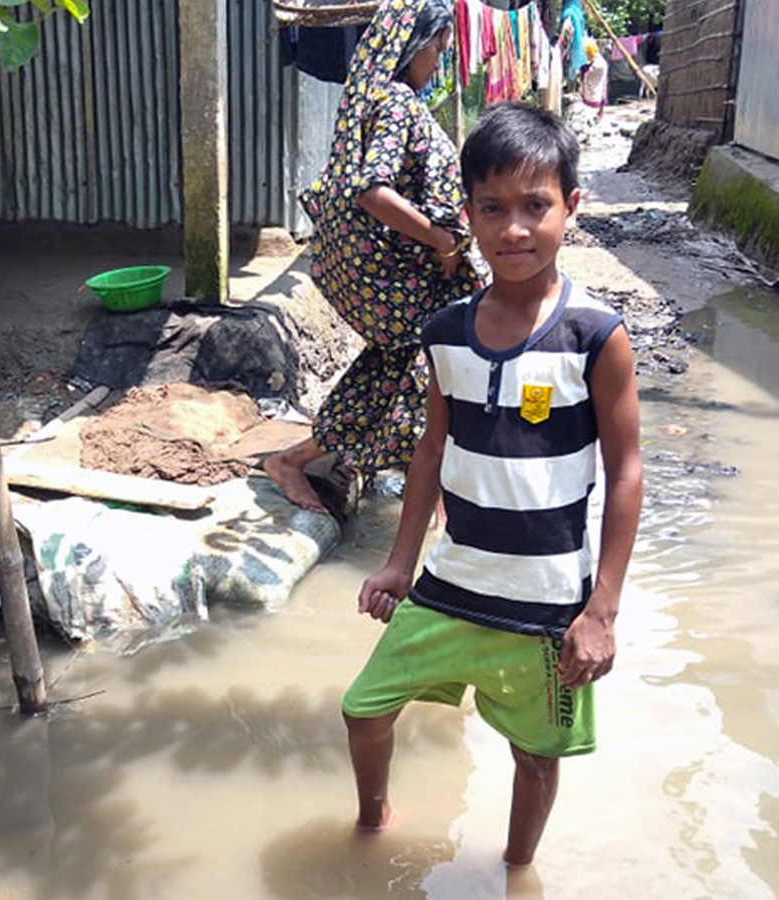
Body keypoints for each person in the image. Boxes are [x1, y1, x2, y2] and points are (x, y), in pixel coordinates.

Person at [341, 102, 643, 866]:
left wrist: (601, 609)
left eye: (535, 206)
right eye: (493, 209)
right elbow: (430, 448)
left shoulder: (595, 336)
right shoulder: (445, 331)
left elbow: (626, 472)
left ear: (571, 207)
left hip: (548, 606)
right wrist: (399, 562)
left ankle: (516, 872)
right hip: (451, 584)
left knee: (537, 757)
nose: (514, 229)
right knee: (364, 708)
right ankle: (373, 824)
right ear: (468, 216)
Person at [264, 0, 483, 514]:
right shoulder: (396, 103)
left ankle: (294, 460)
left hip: (402, 278)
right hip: (402, 279)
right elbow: (372, 192)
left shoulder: (376, 100)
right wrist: (443, 240)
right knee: (435, 378)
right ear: (416, 44)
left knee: (400, 377)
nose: (440, 61)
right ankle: (438, 521)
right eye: (439, 49)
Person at [579, 38, 608, 121]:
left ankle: (596, 114)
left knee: (595, 91)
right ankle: (598, 114)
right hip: (595, 66)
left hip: (595, 69)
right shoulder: (588, 43)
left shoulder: (597, 63)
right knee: (598, 90)